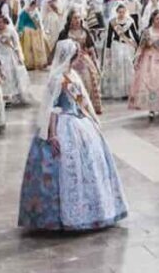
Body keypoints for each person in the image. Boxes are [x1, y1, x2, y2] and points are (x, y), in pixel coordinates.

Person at [18, 40, 128, 231]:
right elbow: (52, 108)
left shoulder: (73, 75)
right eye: (77, 55)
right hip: (63, 124)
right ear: (70, 57)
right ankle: (59, 217)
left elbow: (82, 102)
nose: (80, 59)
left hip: (79, 123)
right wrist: (52, 135)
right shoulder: (58, 79)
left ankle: (93, 210)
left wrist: (92, 119)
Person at [58, 11, 103, 115]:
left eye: (78, 18)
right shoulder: (64, 33)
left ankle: (87, 106)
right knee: (71, 83)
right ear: (70, 19)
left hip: (84, 60)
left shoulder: (85, 31)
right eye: (74, 18)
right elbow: (60, 49)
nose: (77, 20)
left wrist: (95, 60)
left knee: (88, 81)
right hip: (70, 61)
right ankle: (73, 105)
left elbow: (91, 47)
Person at [101, 3, 140, 101]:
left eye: (123, 12)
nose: (121, 14)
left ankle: (129, 90)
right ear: (117, 12)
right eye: (119, 12)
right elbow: (109, 37)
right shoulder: (112, 22)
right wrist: (108, 51)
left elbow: (134, 34)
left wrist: (139, 45)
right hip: (116, 46)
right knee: (118, 67)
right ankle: (119, 91)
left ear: (125, 12)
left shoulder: (129, 21)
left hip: (126, 46)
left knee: (127, 65)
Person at [0, 15, 31, 106]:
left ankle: (13, 95)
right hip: (0, 55)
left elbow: (17, 44)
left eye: (1, 22)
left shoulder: (11, 31)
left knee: (11, 75)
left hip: (10, 55)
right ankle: (4, 96)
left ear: (5, 22)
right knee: (2, 74)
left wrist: (19, 56)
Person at [17, 0, 48, 70]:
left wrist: (40, 29)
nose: (34, 6)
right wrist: (21, 30)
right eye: (33, 4)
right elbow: (21, 22)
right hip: (28, 31)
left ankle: (38, 63)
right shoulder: (24, 12)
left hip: (36, 31)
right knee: (29, 48)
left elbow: (38, 21)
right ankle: (29, 64)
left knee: (37, 48)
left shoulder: (35, 11)